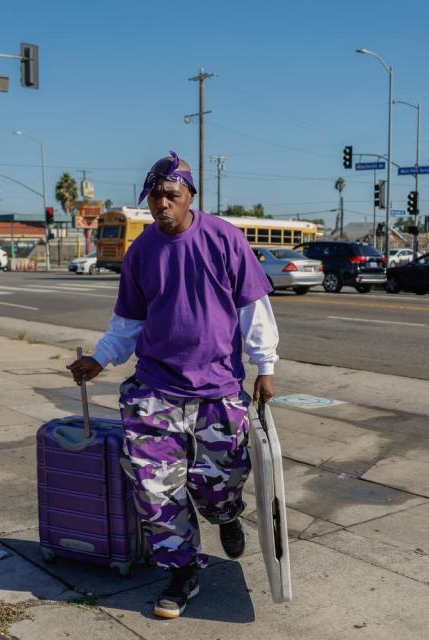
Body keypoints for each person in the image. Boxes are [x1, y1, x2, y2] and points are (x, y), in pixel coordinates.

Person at [67, 151, 280, 619]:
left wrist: (264, 366)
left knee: (218, 484)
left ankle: (224, 514)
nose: (161, 204)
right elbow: (128, 322)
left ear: (189, 196)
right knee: (155, 489)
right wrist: (100, 359)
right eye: (154, 196)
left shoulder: (225, 240)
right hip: (155, 390)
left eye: (170, 195)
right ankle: (182, 572)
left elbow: (254, 310)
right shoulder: (141, 251)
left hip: (217, 392)